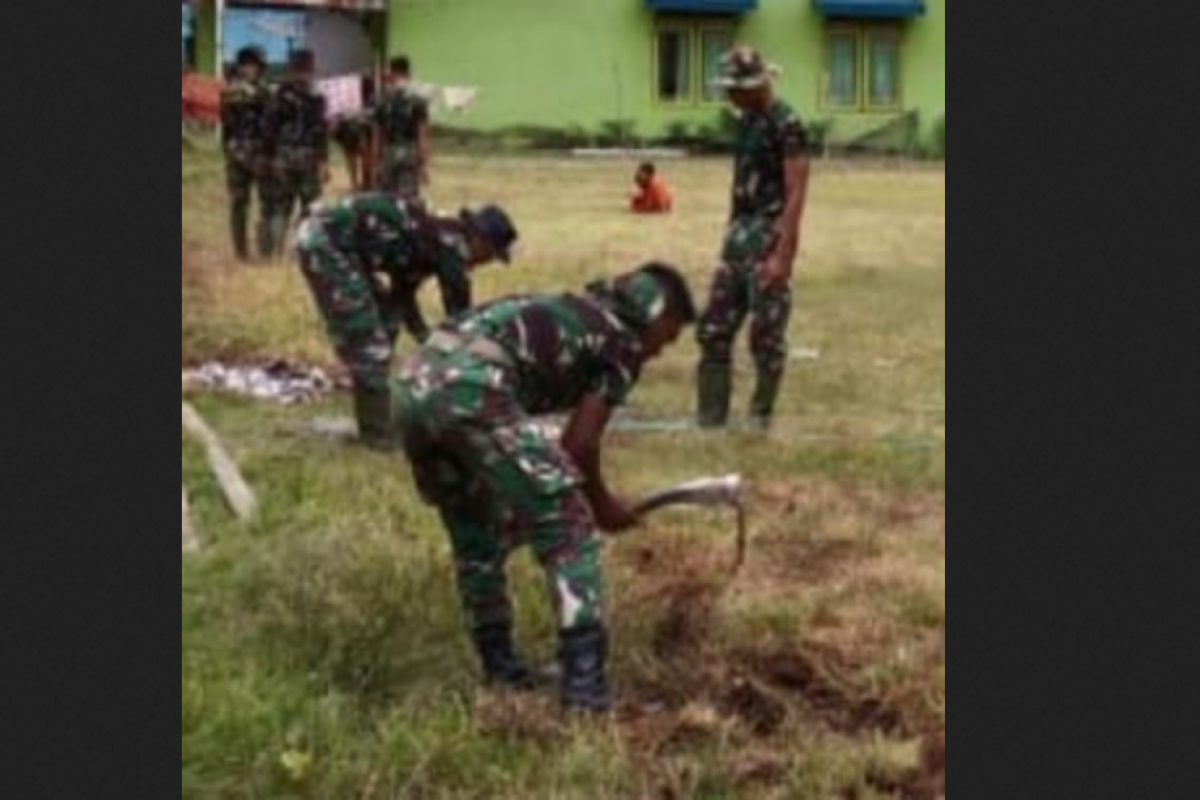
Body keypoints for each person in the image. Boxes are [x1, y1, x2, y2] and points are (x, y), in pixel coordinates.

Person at [394, 265, 698, 713]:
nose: (656, 353)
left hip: (411, 385)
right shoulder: (622, 344)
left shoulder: (573, 309)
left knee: (476, 530)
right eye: (665, 338)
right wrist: (602, 505)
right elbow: (578, 443)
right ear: (653, 316)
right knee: (570, 524)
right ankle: (585, 692)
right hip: (472, 388)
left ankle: (500, 670)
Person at [296, 195, 518, 448]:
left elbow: (404, 294)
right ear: (480, 240)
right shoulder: (452, 248)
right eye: (491, 255)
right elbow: (461, 321)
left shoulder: (437, 237)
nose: (486, 263)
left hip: (344, 245)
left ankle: (378, 404)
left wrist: (425, 338)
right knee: (369, 341)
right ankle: (376, 436)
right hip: (326, 242)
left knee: (385, 320)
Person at [697, 47, 812, 429]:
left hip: (768, 238)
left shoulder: (787, 124)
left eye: (734, 88)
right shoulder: (746, 120)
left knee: (765, 335)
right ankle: (710, 421)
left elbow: (796, 190)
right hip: (739, 240)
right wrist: (728, 239)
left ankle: (758, 419)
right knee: (713, 329)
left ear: (756, 86)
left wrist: (784, 255)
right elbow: (741, 187)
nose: (728, 95)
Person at [263, 49, 330, 258]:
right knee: (310, 206)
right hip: (308, 157)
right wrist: (324, 162)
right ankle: (300, 251)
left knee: (281, 206)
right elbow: (321, 132)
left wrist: (269, 158)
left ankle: (276, 252)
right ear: (311, 69)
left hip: (283, 157)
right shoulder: (317, 97)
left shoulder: (278, 95)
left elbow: (268, 129)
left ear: (291, 69)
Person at [219, 46, 272, 261]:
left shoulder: (229, 89)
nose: (256, 70)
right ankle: (257, 250)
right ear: (246, 65)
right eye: (255, 65)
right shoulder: (256, 90)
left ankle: (246, 251)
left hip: (237, 151)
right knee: (256, 202)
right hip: (252, 153)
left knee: (244, 204)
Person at [373, 56, 432, 201]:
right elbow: (422, 134)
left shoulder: (382, 100)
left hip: (389, 153)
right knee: (408, 202)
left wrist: (376, 163)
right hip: (409, 153)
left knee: (386, 201)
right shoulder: (418, 100)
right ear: (408, 74)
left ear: (392, 73)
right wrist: (424, 165)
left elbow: (377, 135)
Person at [332, 73, 378, 192]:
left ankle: (362, 183)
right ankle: (362, 183)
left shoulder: (363, 81)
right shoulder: (360, 81)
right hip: (354, 121)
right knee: (358, 153)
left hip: (356, 120)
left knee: (358, 153)